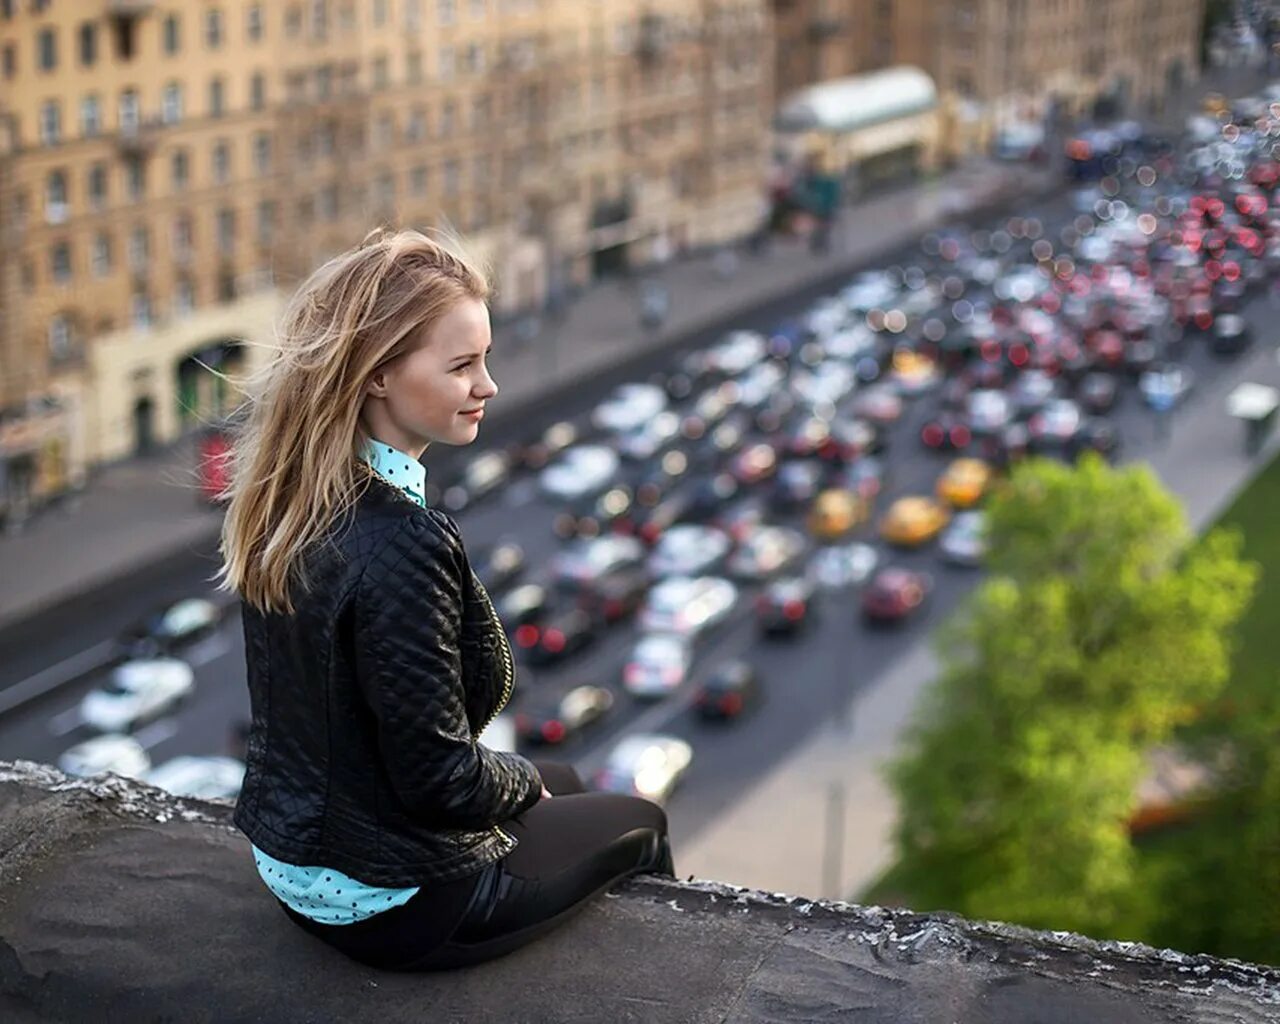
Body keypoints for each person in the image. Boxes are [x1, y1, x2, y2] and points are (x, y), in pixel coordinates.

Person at [217, 227, 674, 972]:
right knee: (639, 821)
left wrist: (532, 783)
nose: (487, 386)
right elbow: (439, 781)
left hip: (294, 864)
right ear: (376, 375)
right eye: (462, 365)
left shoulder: (289, 497)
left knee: (566, 783)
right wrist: (522, 779)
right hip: (393, 901)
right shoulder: (401, 539)